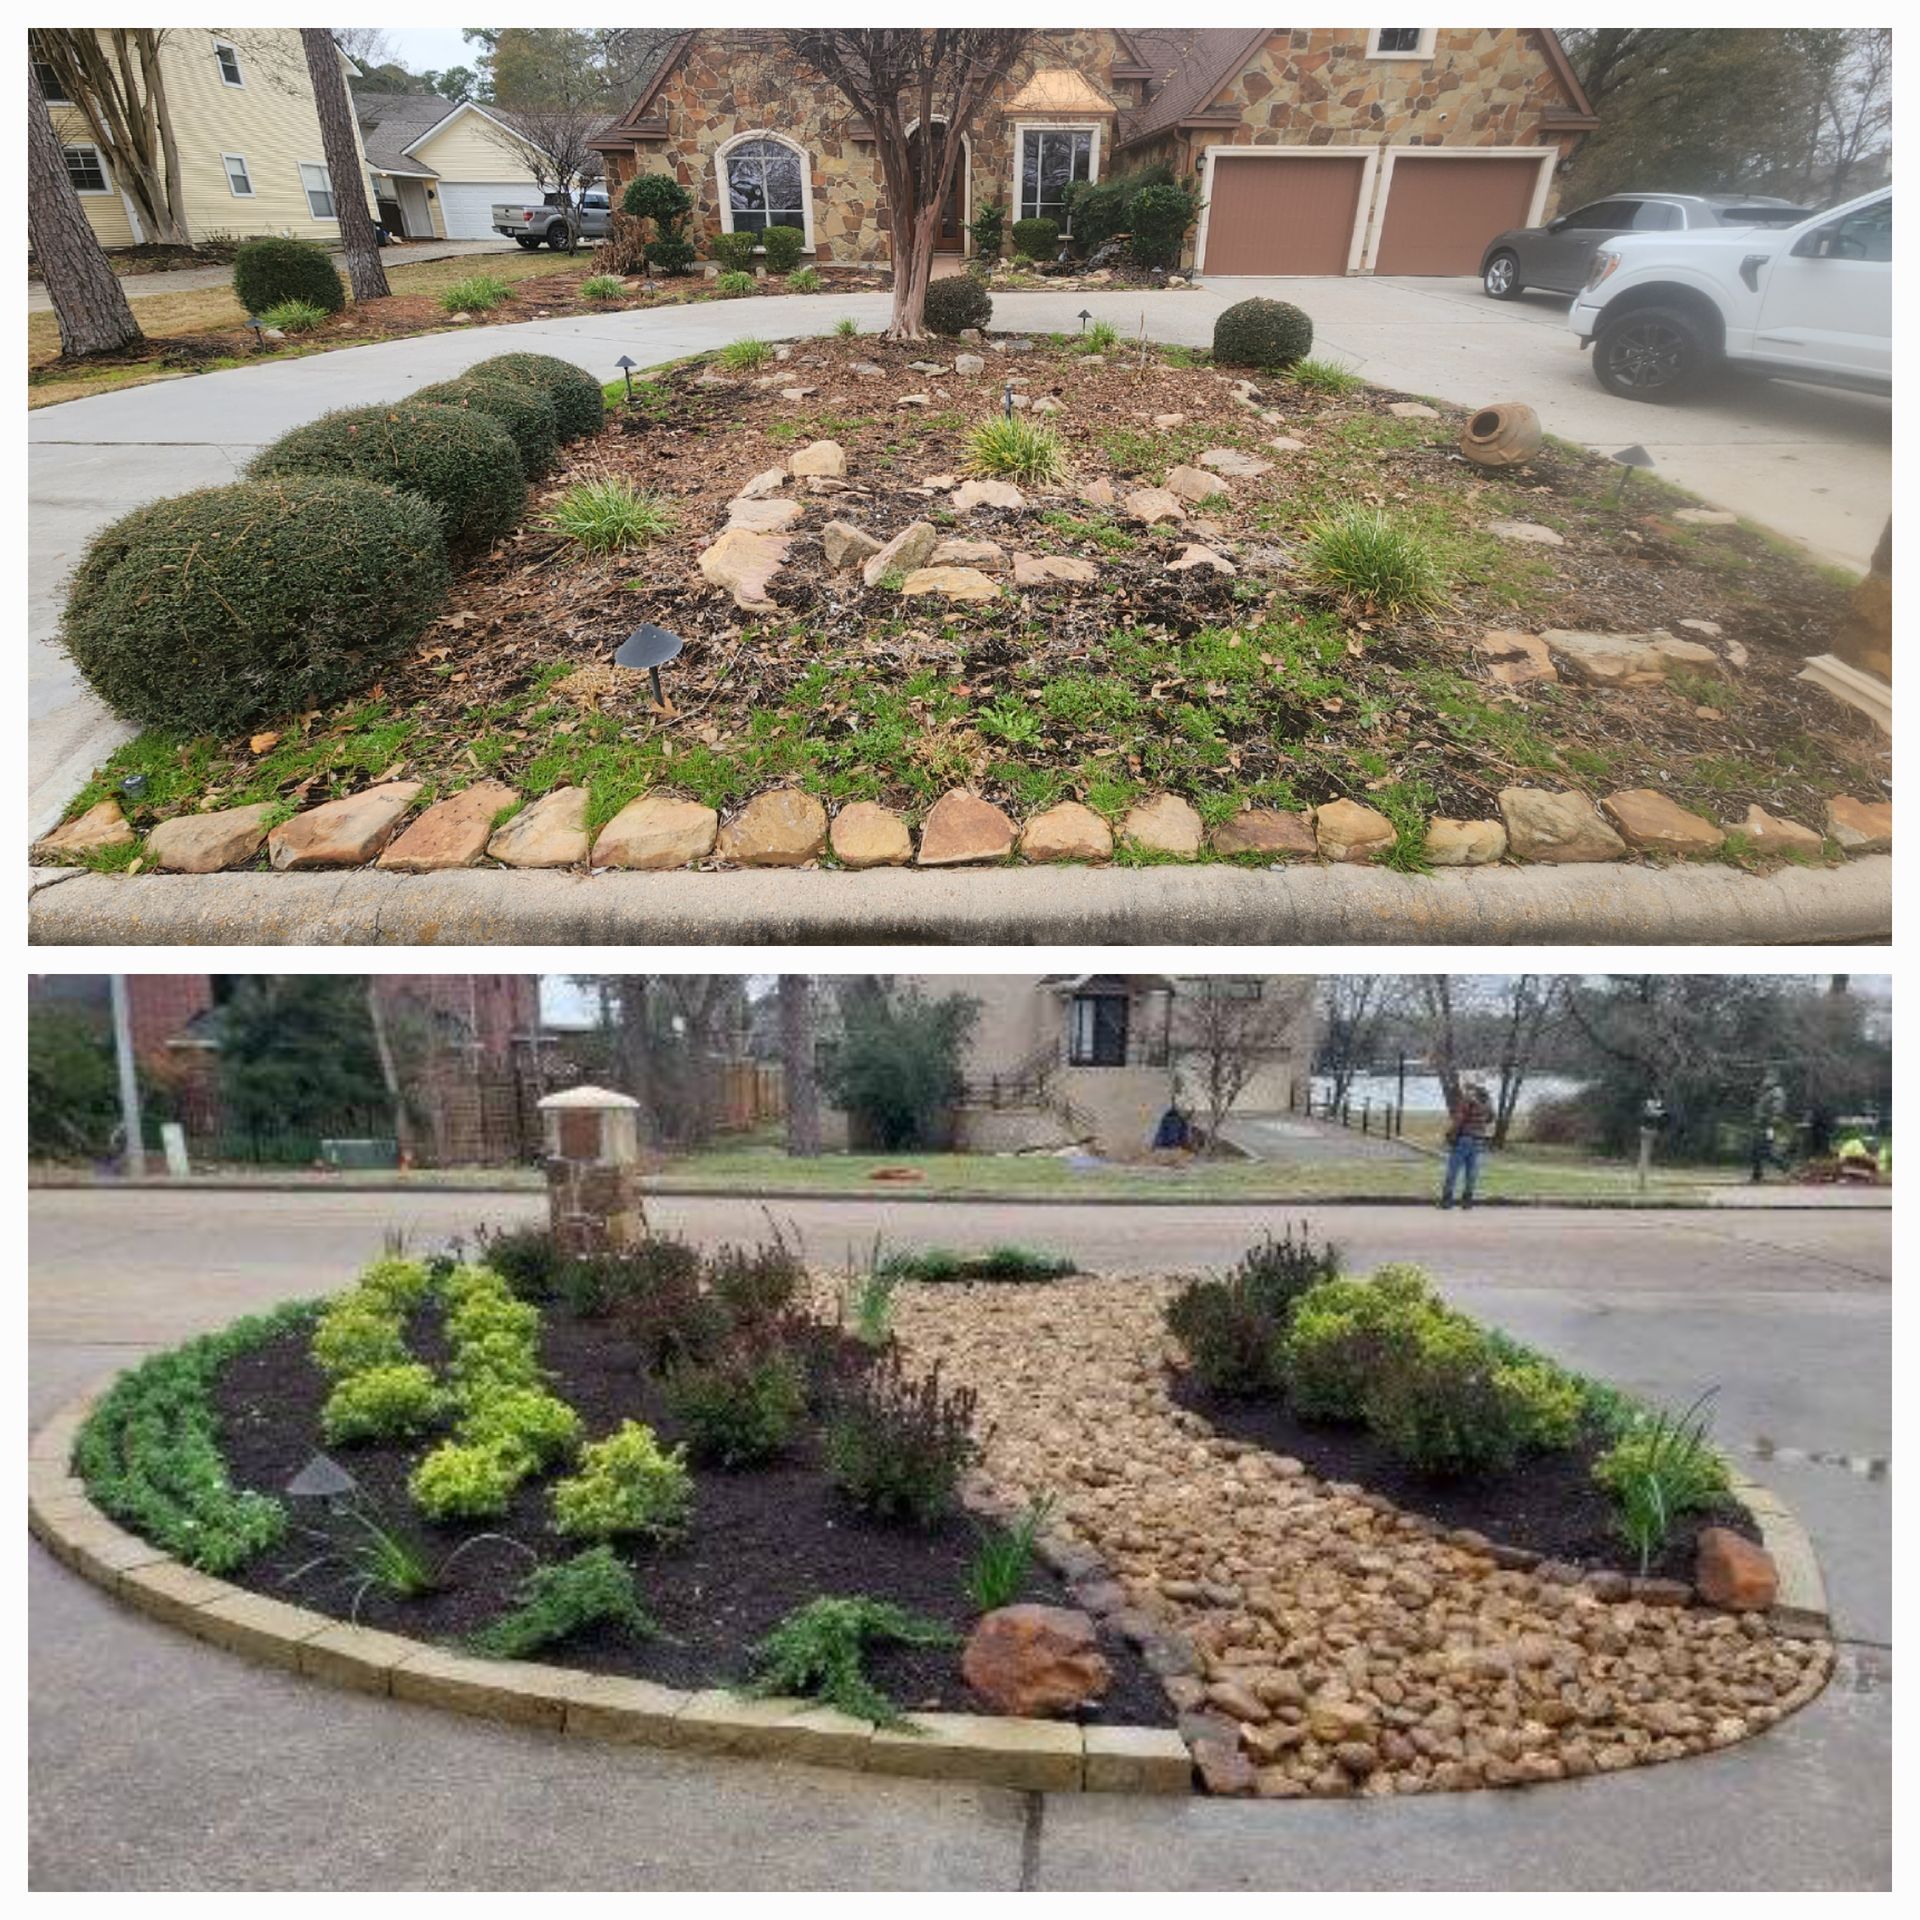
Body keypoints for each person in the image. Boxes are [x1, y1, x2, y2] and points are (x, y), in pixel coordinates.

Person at [1440, 1081, 1494, 1209]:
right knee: (1471, 1172)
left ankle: (1447, 1200)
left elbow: (1459, 1119)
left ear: (1470, 1088)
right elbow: (1491, 1118)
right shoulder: (1487, 1102)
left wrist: (1450, 1135)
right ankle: (1467, 1201)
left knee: (1453, 1170)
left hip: (1465, 1138)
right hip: (1479, 1140)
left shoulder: (1468, 1100)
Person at [1750, 1070, 1789, 1183]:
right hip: (1761, 1124)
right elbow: (1759, 1107)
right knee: (1756, 1150)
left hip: (1768, 1125)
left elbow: (1778, 1105)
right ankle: (1757, 1175)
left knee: (1765, 1150)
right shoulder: (1766, 1092)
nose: (1765, 1080)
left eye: (1768, 1078)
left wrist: (1776, 1116)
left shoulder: (1776, 1091)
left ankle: (1786, 1168)